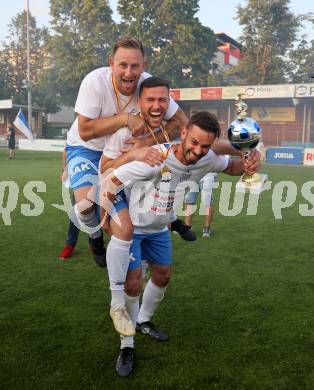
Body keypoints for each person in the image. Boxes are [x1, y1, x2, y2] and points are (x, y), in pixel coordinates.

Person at [100, 110, 260, 377]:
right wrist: (106, 211)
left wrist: (249, 163)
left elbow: (231, 168)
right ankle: (126, 344)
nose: (198, 150)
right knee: (134, 282)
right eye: (194, 142)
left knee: (163, 276)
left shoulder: (207, 158)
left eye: (205, 146)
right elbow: (112, 177)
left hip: (160, 227)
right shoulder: (155, 159)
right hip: (135, 227)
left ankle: (143, 320)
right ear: (184, 133)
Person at [65, 36, 187, 268]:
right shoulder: (94, 82)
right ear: (111, 62)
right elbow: (86, 130)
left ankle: (165, 225)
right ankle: (95, 237)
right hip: (87, 147)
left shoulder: (149, 84)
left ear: (144, 65)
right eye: (123, 65)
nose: (129, 73)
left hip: (124, 147)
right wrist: (124, 119)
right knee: (85, 205)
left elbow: (182, 123)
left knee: (145, 196)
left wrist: (148, 142)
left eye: (135, 66)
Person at [184, 172, 218, 238]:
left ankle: (206, 229)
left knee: (207, 201)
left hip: (208, 174)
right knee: (189, 200)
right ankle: (187, 227)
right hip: (193, 174)